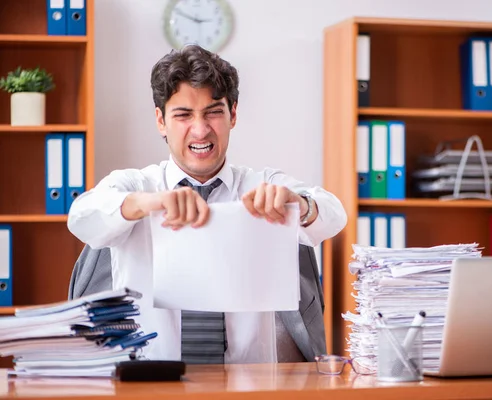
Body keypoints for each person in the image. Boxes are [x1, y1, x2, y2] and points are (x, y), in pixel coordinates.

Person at [66, 44, 347, 364]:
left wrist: (300, 204)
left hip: (251, 382)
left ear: (233, 114)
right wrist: (147, 203)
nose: (200, 130)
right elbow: (81, 217)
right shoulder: (139, 186)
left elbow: (334, 214)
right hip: (153, 382)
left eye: (213, 112)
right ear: (161, 121)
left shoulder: (262, 185)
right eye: (183, 115)